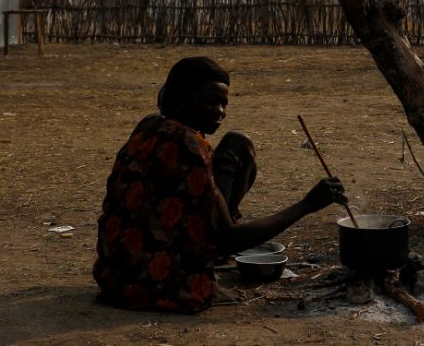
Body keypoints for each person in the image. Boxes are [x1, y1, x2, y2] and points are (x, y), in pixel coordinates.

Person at [93, 56, 346, 313]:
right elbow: (229, 240)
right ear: (183, 99)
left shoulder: (149, 125)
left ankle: (216, 233)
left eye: (224, 103)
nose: (221, 112)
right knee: (225, 233)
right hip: (152, 283)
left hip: (113, 273)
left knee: (239, 144)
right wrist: (307, 204)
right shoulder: (191, 146)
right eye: (210, 102)